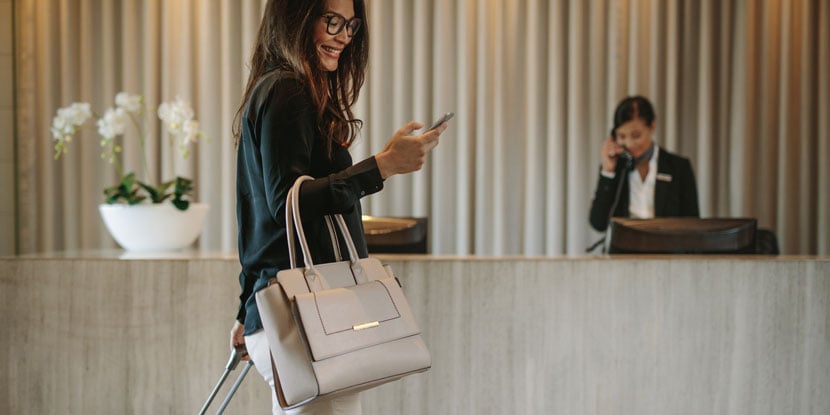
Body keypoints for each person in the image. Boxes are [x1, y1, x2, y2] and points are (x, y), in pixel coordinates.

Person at [229, 0, 448, 413]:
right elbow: (287, 205)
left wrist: (246, 310)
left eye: (351, 25)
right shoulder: (288, 89)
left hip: (293, 319)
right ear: (296, 16)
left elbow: (256, 219)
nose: (344, 36)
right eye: (332, 21)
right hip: (306, 325)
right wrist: (382, 166)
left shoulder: (275, 87)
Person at [589, 96, 699, 232]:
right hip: (623, 250)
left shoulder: (679, 167)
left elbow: (693, 225)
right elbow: (598, 224)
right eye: (622, 136)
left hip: (667, 250)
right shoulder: (614, 168)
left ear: (652, 126)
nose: (629, 144)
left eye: (636, 136)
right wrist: (608, 171)